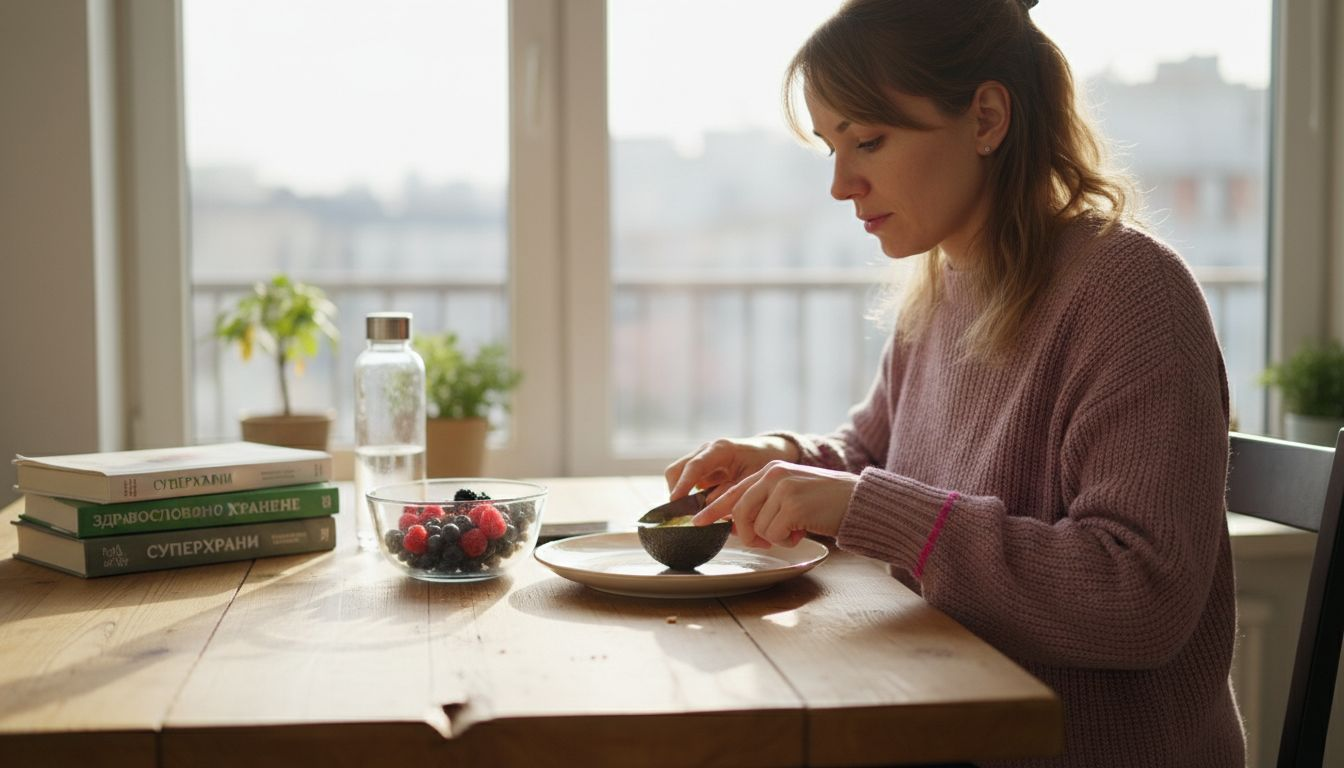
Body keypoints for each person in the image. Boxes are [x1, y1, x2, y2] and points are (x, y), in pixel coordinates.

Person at [663, 0, 1244, 766]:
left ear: (987, 118)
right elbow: (869, 457)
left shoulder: (1130, 292)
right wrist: (780, 460)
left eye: (868, 140)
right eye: (830, 149)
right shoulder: (941, 288)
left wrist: (876, 509)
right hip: (942, 725)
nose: (841, 185)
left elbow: (1139, 597)